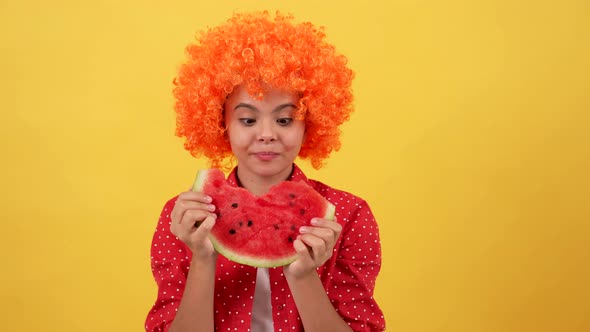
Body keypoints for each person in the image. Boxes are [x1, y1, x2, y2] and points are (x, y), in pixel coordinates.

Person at [146, 11, 385, 332]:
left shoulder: (348, 215)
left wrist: (303, 275)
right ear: (222, 123)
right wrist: (202, 258)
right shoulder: (186, 218)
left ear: (309, 123)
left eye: (284, 119)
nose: (267, 133)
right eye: (248, 119)